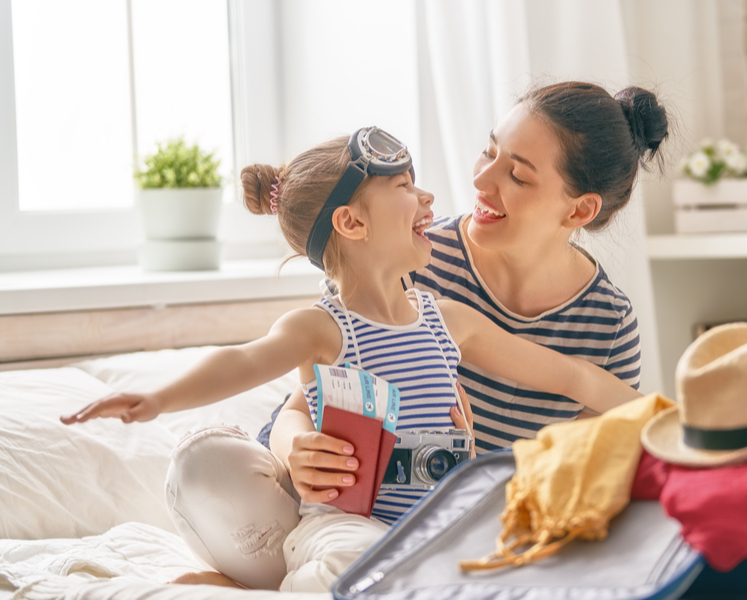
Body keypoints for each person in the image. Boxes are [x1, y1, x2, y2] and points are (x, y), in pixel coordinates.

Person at [60, 125, 645, 591]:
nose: (429, 198)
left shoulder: (449, 320)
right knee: (349, 558)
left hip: (438, 521)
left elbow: (572, 376)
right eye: (405, 188)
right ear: (351, 222)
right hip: (348, 521)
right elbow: (242, 362)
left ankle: (253, 585)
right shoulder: (323, 328)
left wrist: (671, 417)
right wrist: (158, 399)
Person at [266, 82, 671, 507]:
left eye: (516, 175)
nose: (480, 178)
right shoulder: (409, 258)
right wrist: (294, 448)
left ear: (579, 210)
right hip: (348, 499)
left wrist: (470, 475)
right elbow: (300, 408)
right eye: (489, 151)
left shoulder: (608, 325)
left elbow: (576, 476)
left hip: (474, 517)